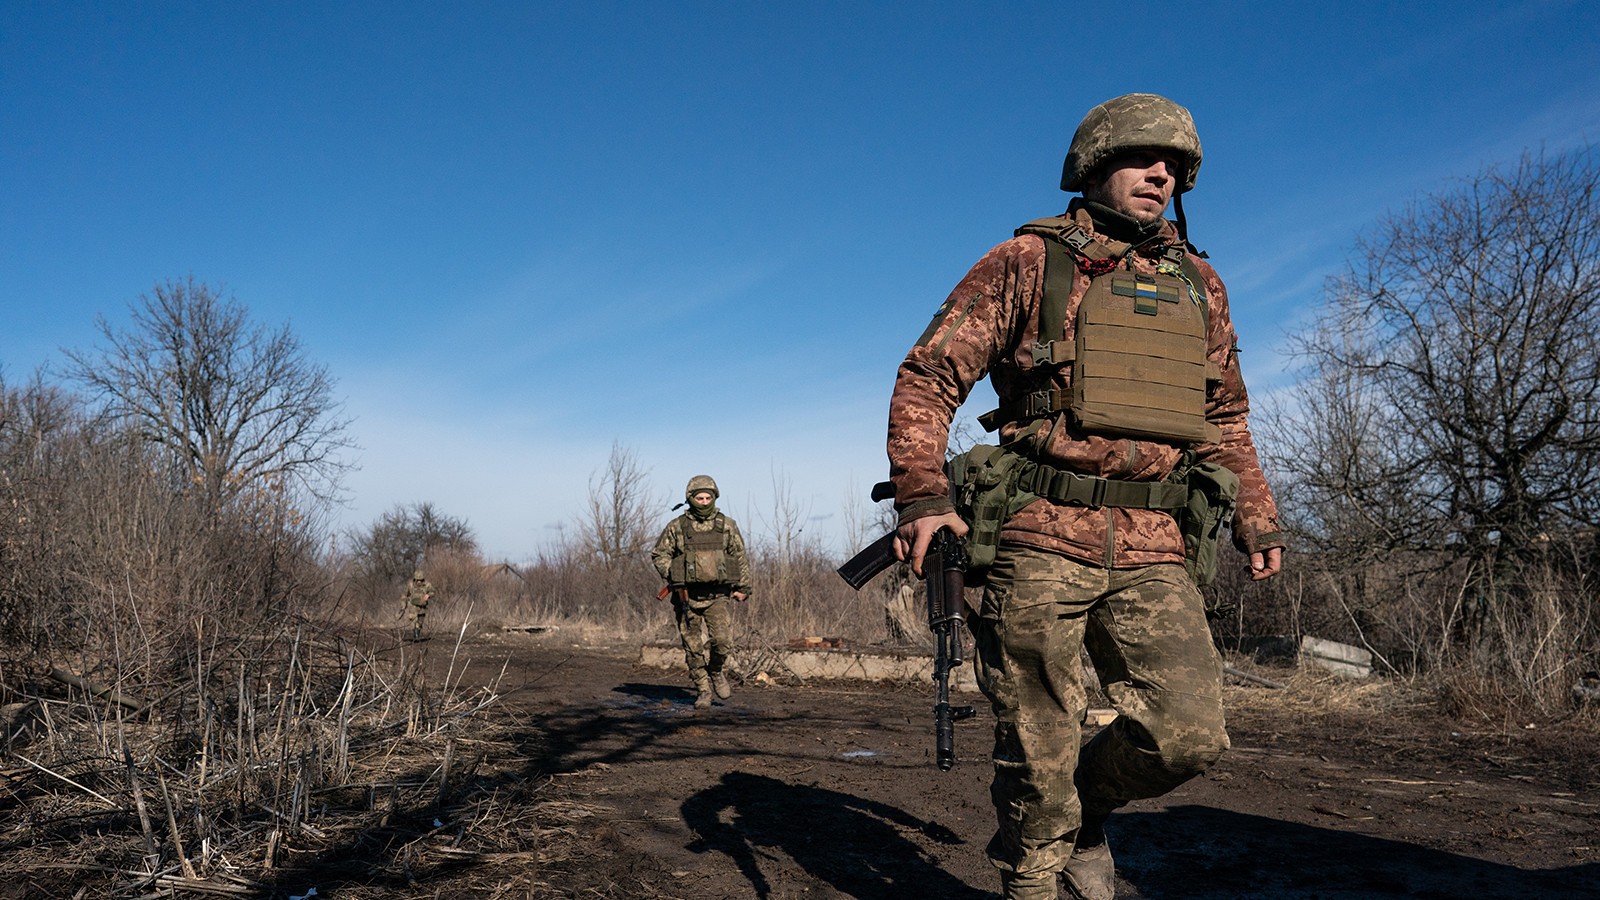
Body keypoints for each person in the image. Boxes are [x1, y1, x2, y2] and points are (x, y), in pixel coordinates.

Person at [885, 93, 1286, 899]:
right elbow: (929, 377)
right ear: (1095, 165)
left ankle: (1082, 814)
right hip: (1036, 536)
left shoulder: (1200, 283)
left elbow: (1225, 415)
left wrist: (1255, 511)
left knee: (1188, 735)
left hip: (1153, 540)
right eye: (1143, 158)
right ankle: (1034, 877)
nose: (1161, 174)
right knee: (1036, 740)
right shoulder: (1026, 263)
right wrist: (924, 497)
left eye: (1174, 166)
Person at [651, 475, 753, 709]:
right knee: (693, 647)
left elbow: (739, 556)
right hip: (686, 596)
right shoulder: (677, 527)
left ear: (714, 497)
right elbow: (659, 553)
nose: (704, 502)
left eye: (708, 497)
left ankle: (716, 671)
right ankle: (703, 691)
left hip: (717, 595)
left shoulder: (726, 525)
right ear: (690, 498)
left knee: (722, 642)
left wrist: (743, 587)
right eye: (700, 497)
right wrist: (674, 573)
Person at [401, 569, 434, 641]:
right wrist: (403, 606)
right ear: (415, 579)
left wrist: (428, 595)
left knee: (420, 622)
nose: (419, 582)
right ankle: (415, 636)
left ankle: (417, 633)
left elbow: (433, 592)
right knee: (413, 621)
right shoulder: (410, 585)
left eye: (421, 580)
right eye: (417, 580)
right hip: (413, 606)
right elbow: (404, 595)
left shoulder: (427, 585)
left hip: (422, 607)